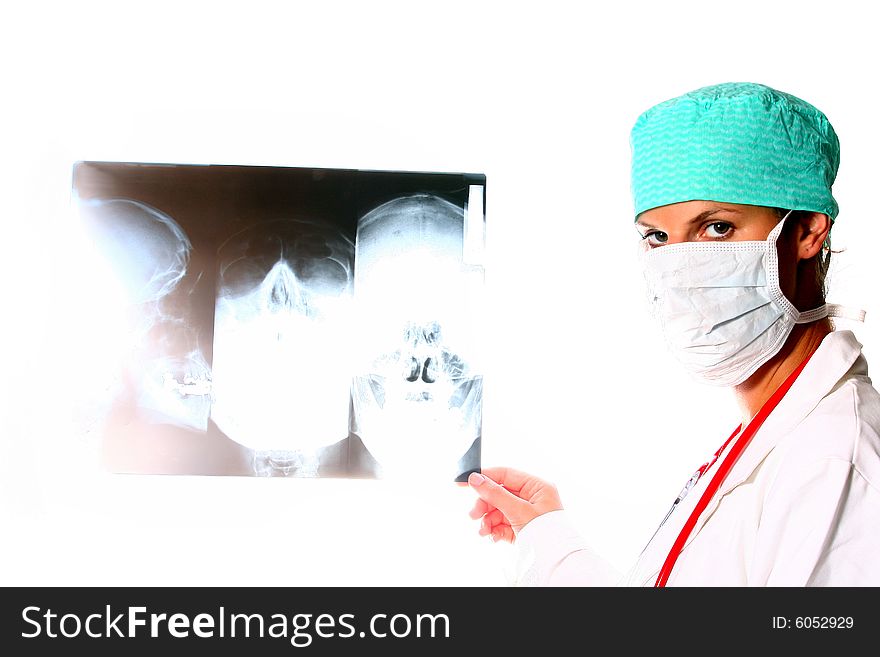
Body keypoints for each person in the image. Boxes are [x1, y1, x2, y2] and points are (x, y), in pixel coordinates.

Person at [468, 82, 880, 586]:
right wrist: (549, 539)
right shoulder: (774, 428)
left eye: (717, 228)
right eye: (658, 236)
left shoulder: (833, 461)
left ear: (808, 232)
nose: (681, 265)